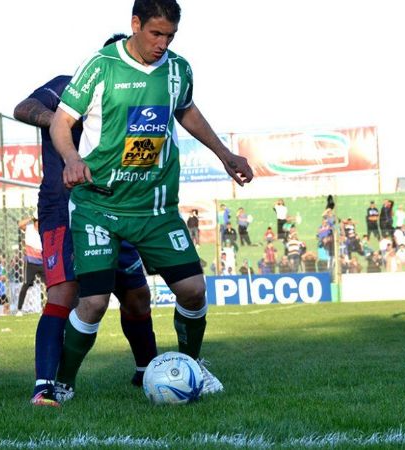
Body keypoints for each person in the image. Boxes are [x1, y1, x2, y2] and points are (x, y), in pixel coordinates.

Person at [49, 0, 253, 398]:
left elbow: (187, 112)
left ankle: (193, 368)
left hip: (155, 207)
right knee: (92, 302)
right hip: (98, 205)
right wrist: (71, 159)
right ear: (135, 24)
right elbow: (61, 120)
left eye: (170, 36)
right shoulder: (101, 66)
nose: (162, 44)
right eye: (155, 34)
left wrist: (225, 154)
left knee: (193, 289)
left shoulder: (178, 70)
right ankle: (62, 384)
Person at [13, 33, 159, 407]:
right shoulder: (68, 86)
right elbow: (23, 106)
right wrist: (60, 120)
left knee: (137, 295)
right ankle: (46, 386)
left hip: (115, 208)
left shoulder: (133, 100)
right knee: (65, 292)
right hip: (62, 207)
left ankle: (149, 373)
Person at [16, 214, 44, 316]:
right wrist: (31, 217)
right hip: (31, 262)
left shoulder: (44, 230)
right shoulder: (29, 229)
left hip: (42, 262)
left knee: (50, 286)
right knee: (26, 284)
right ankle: (19, 309)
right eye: (37, 220)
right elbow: (20, 224)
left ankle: (45, 309)